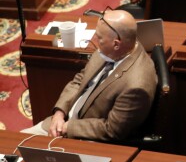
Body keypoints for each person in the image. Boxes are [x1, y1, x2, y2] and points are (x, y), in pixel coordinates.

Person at [22, 10, 157, 141]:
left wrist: (69, 127)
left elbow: (112, 130)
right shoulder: (112, 49)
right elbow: (80, 79)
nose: (94, 40)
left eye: (99, 38)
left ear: (116, 44)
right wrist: (59, 113)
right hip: (60, 123)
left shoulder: (136, 86)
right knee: (13, 143)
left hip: (85, 138)